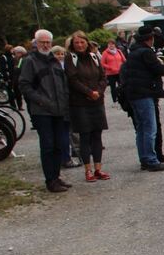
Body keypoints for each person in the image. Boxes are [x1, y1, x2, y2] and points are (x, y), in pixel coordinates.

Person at [18, 29, 73, 192]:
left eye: (48, 42)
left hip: (58, 110)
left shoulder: (54, 60)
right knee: (48, 146)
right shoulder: (30, 61)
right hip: (42, 112)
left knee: (58, 145)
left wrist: (64, 103)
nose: (45, 45)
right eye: (42, 42)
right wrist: (41, 101)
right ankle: (50, 180)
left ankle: (56, 177)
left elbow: (62, 84)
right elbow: (24, 85)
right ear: (36, 43)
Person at [120, 25, 164, 172]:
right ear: (150, 39)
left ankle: (144, 158)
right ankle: (150, 159)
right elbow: (160, 70)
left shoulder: (133, 52)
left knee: (141, 128)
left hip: (133, 94)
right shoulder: (146, 53)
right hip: (144, 93)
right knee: (150, 128)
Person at [64, 31, 110, 182]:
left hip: (97, 101)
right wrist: (89, 92)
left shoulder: (94, 57)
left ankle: (98, 168)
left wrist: (99, 91)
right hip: (80, 103)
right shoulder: (71, 58)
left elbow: (103, 77)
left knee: (97, 135)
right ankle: (87, 170)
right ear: (73, 44)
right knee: (85, 136)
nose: (80, 45)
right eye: (76, 43)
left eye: (82, 42)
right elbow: (72, 79)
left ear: (87, 42)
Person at [100, 38, 125, 104]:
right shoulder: (105, 53)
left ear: (115, 45)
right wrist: (109, 67)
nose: (111, 45)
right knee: (113, 87)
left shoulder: (119, 51)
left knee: (122, 85)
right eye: (109, 44)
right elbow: (102, 63)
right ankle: (114, 99)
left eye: (112, 44)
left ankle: (122, 97)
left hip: (119, 72)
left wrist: (123, 67)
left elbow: (124, 60)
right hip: (111, 73)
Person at [6, 45, 26, 110]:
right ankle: (17, 106)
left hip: (18, 78)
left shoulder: (21, 59)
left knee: (18, 92)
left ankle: (19, 106)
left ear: (20, 53)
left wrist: (15, 68)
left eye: (16, 53)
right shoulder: (14, 59)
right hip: (15, 78)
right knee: (16, 92)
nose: (15, 54)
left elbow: (18, 68)